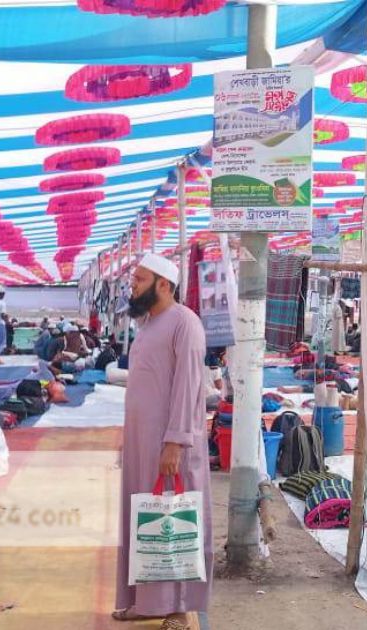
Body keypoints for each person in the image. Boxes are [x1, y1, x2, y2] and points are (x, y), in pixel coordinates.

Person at [114, 252, 212, 629]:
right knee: (144, 520)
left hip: (171, 445)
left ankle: (177, 608)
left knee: (174, 522)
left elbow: (189, 386)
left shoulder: (184, 323)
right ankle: (145, 600)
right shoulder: (148, 324)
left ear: (164, 285)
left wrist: (175, 441)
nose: (132, 286)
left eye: (139, 279)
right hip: (142, 443)